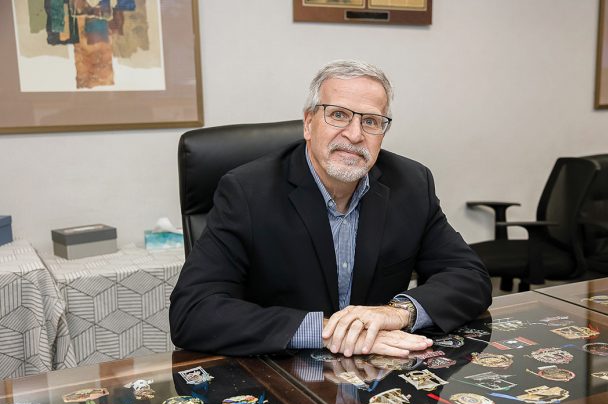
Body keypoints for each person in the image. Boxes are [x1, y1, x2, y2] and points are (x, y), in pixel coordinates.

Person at [169, 59, 491, 358]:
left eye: (370, 121)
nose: (354, 135)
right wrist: (329, 332)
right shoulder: (247, 192)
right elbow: (193, 311)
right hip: (283, 378)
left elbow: (470, 277)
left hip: (378, 378)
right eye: (338, 115)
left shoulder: (412, 184)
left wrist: (397, 313)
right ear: (309, 123)